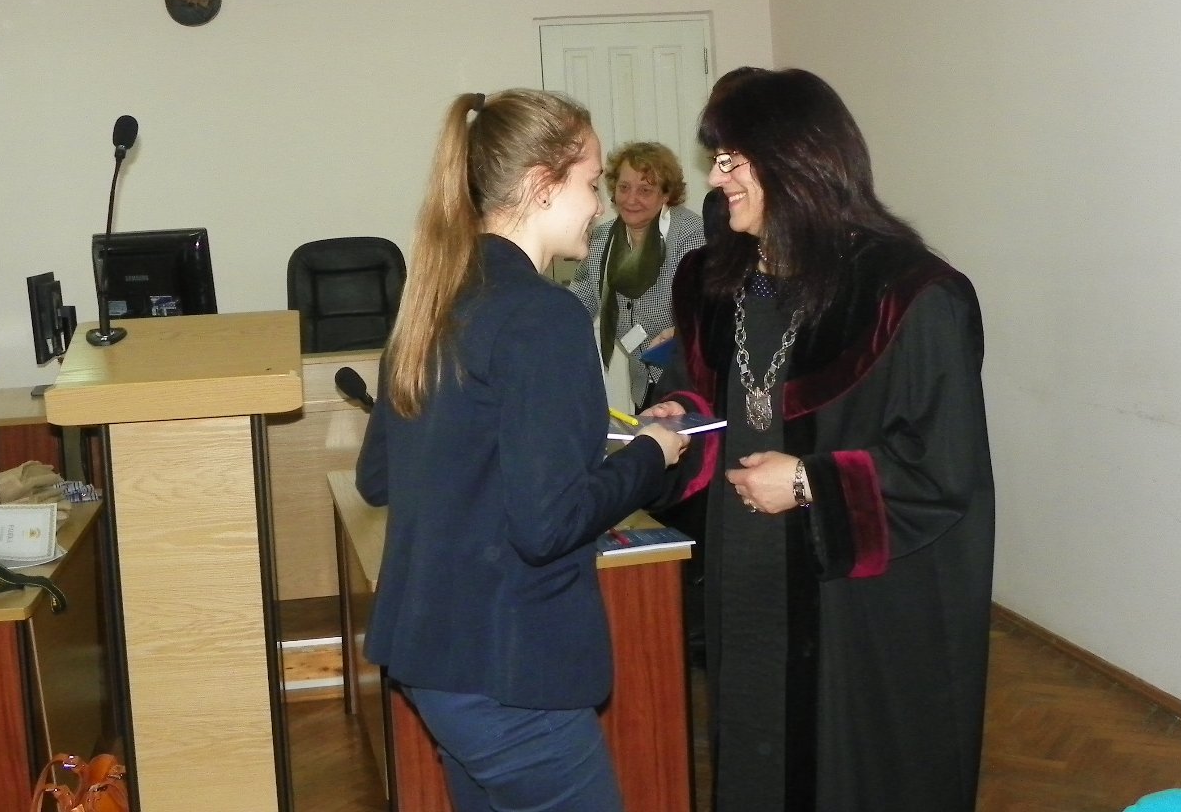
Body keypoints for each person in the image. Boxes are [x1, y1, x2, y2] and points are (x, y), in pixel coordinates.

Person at [648, 67, 994, 810]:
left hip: (851, 599)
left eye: (732, 160)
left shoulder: (907, 295)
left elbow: (943, 470)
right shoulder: (717, 281)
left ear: (793, 160)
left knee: (841, 771)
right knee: (752, 739)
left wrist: (808, 482)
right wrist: (675, 417)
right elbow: (705, 391)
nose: (716, 177)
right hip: (744, 563)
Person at [356, 89, 689, 812]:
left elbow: (380, 474)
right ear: (543, 184)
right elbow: (548, 523)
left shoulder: (435, 297)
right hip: (510, 671)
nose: (599, 206)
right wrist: (649, 455)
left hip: (434, 660)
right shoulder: (543, 315)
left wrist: (587, 440)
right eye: (592, 183)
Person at [567, 141, 705, 412]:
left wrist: (680, 331)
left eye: (645, 190)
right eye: (624, 187)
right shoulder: (601, 240)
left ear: (666, 194)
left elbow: (704, 312)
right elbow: (576, 304)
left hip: (688, 380)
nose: (631, 199)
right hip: (643, 384)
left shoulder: (689, 234)